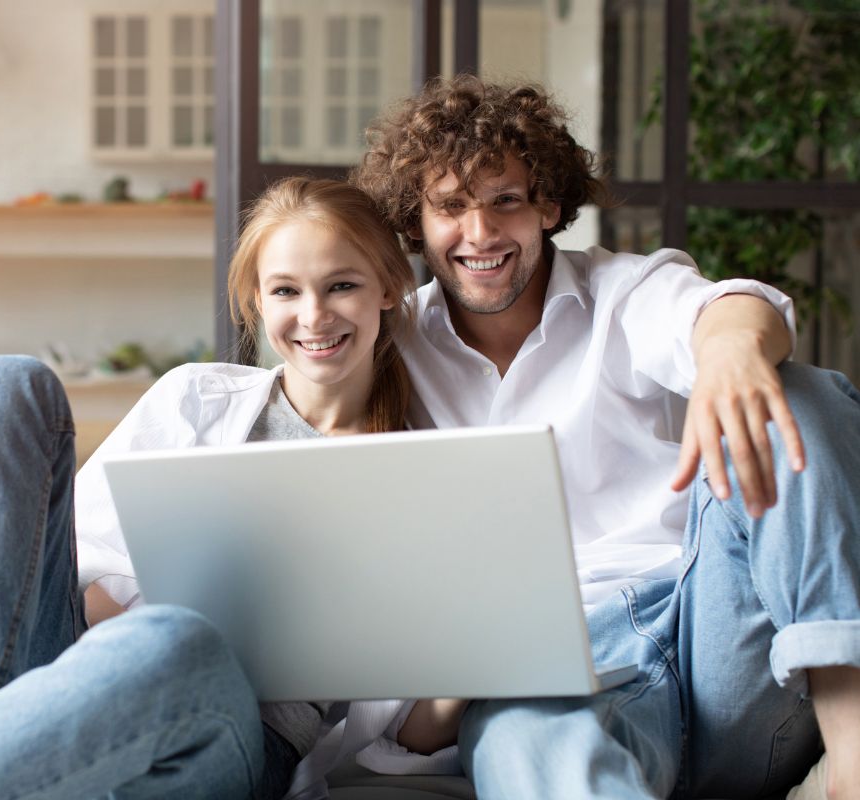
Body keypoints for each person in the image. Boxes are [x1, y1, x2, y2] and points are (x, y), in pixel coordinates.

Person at [352, 75, 860, 800]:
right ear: (415, 220)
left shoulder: (620, 291)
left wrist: (727, 351)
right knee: (520, 731)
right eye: (451, 206)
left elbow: (730, 309)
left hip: (711, 633)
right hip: (555, 670)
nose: (481, 232)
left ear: (549, 205)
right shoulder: (390, 345)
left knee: (791, 391)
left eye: (506, 201)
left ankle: (855, 760)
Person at [0, 177, 429, 799]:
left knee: (176, 641)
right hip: (72, 666)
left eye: (341, 285)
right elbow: (83, 557)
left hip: (233, 732)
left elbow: (405, 722)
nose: (314, 315)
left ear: (390, 288)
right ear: (258, 305)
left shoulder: (420, 467)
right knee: (2, 383)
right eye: (286, 290)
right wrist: (133, 623)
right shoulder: (195, 396)